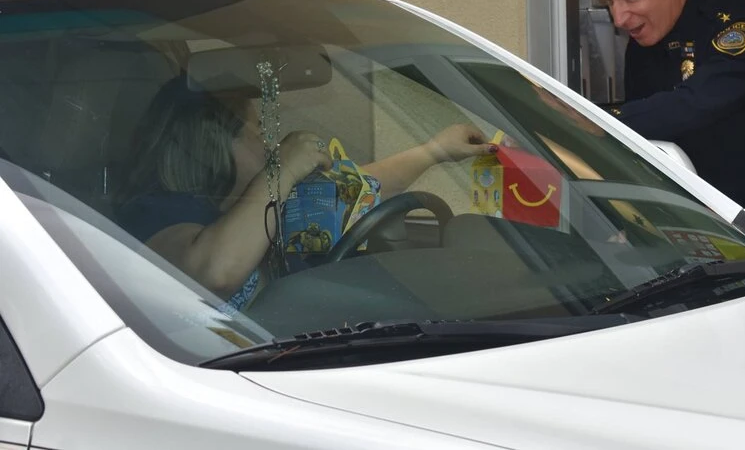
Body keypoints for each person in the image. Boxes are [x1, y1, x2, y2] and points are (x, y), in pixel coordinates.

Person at [115, 74, 494, 310]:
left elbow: (357, 188)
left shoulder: (260, 199)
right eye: (256, 131)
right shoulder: (154, 211)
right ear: (210, 142)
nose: (269, 142)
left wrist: (434, 151)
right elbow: (215, 272)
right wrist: (281, 169)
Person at [589, 0, 745, 216]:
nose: (619, 19)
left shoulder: (737, 21)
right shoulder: (645, 34)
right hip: (685, 216)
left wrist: (590, 121)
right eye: (609, 2)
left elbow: (694, 103)